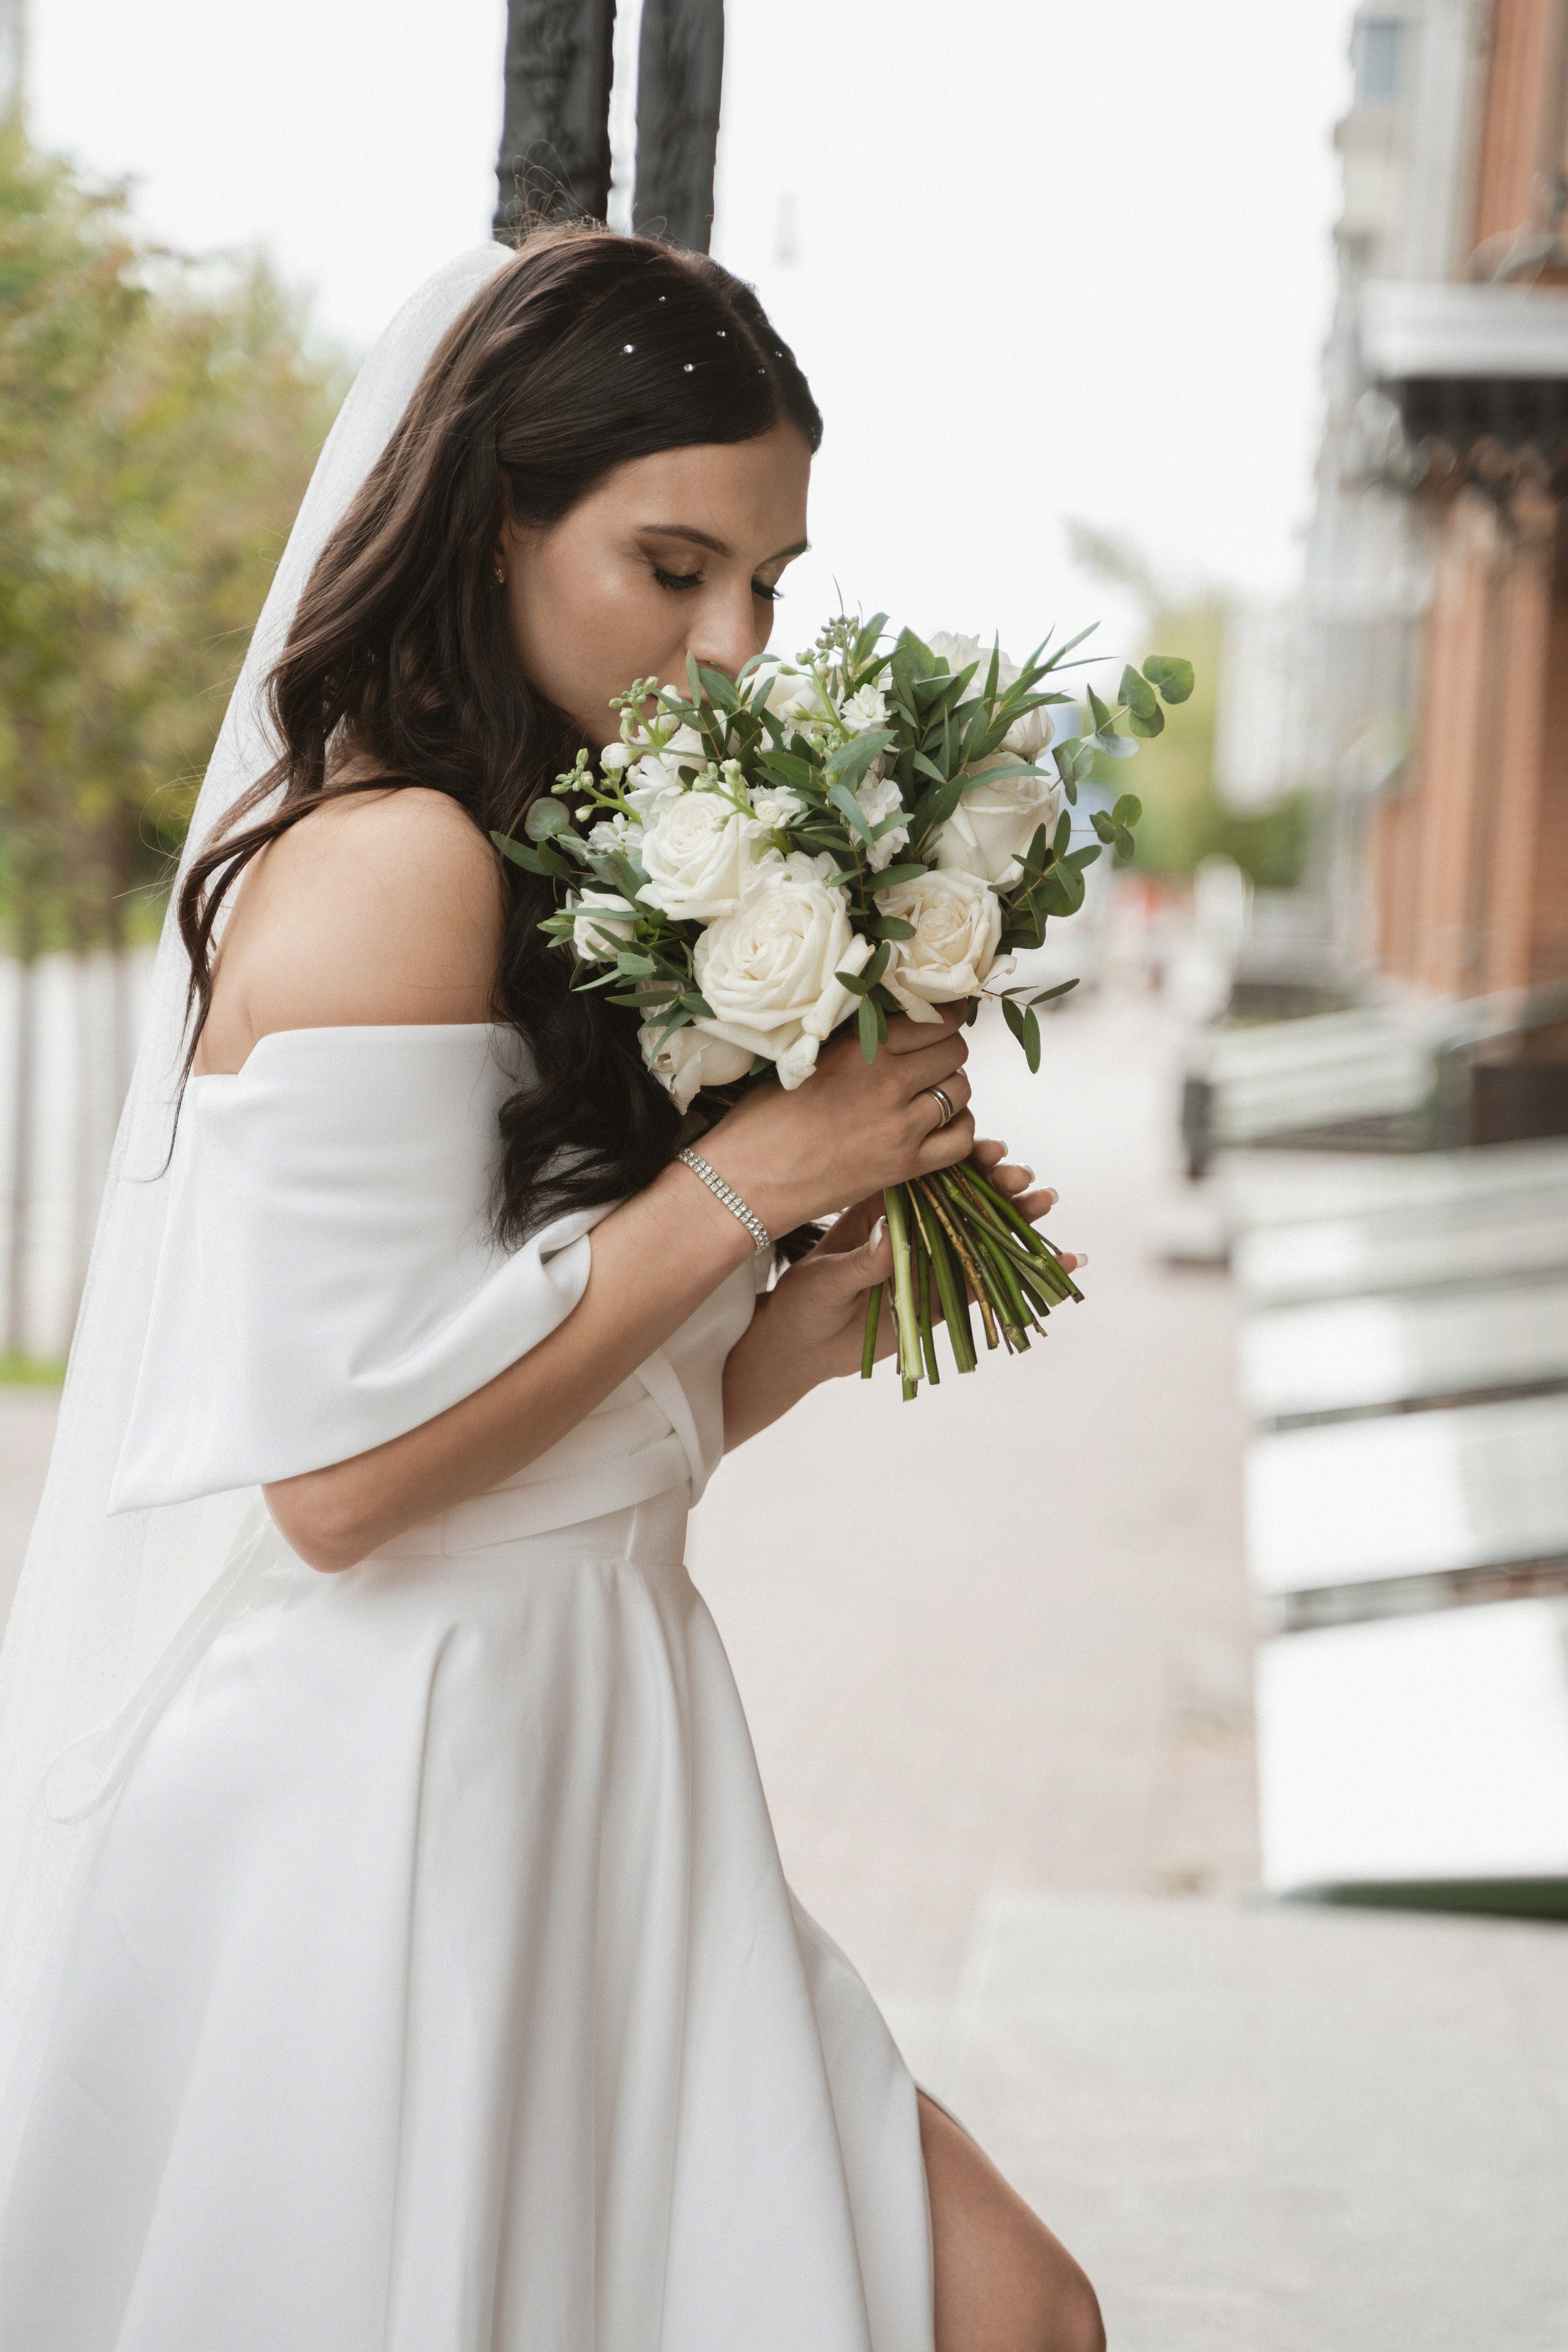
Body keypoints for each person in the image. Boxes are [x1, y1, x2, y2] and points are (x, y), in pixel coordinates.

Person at [0, 228, 1104, 2352]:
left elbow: (538, 1420)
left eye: (769, 585)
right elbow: (336, 1487)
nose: (731, 639)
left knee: (1013, 2317)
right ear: (500, 519)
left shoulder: (554, 861)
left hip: (609, 1738)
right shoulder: (392, 857)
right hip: (406, 1788)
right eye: (671, 566)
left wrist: (804, 1318)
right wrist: (736, 1185)